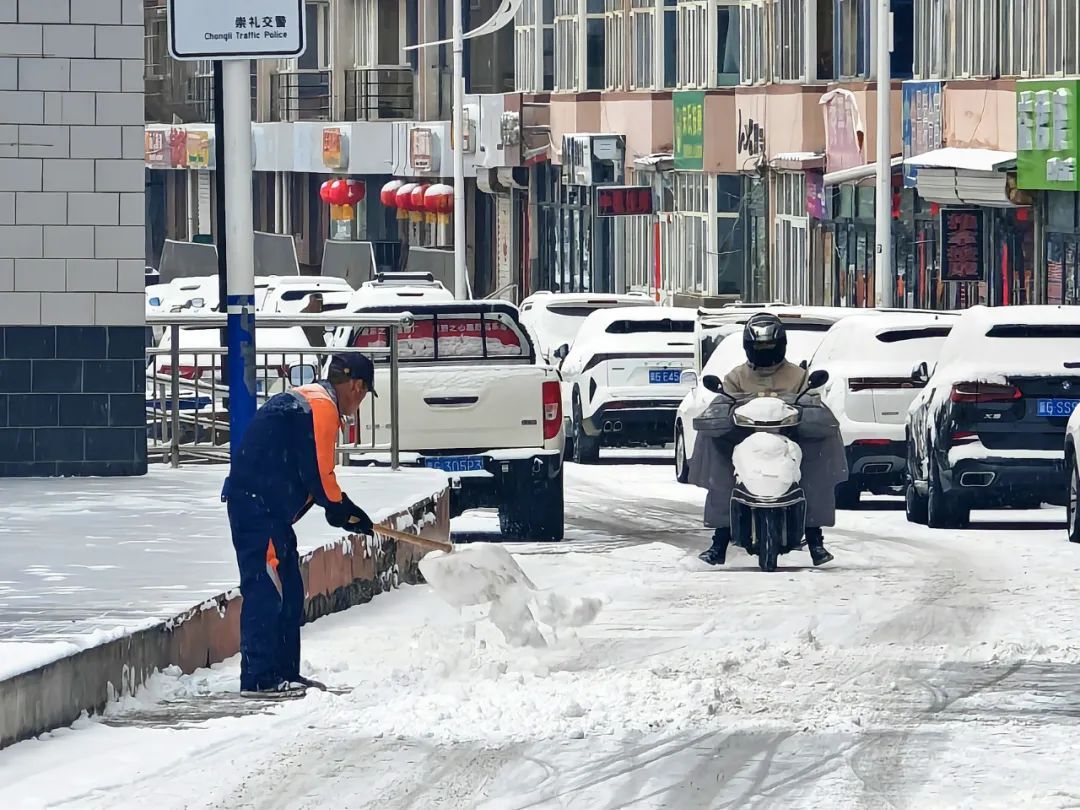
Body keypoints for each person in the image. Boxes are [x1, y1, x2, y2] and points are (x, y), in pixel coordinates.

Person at [222, 353, 377, 697]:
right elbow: (321, 476)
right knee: (267, 589)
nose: (361, 401)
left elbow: (310, 474)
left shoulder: (311, 402)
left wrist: (341, 509)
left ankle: (284, 673)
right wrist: (342, 508)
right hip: (257, 507)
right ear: (356, 386)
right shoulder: (321, 408)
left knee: (290, 589)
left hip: (269, 510)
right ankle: (260, 678)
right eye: (365, 393)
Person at [694, 314, 843, 568]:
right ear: (748, 348)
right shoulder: (735, 377)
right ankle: (719, 540)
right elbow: (722, 404)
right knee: (718, 457)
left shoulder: (799, 376)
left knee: (815, 460)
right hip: (744, 442)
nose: (764, 352)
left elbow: (814, 403)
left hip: (790, 444)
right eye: (759, 347)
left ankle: (815, 538)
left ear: (782, 345)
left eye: (770, 347)